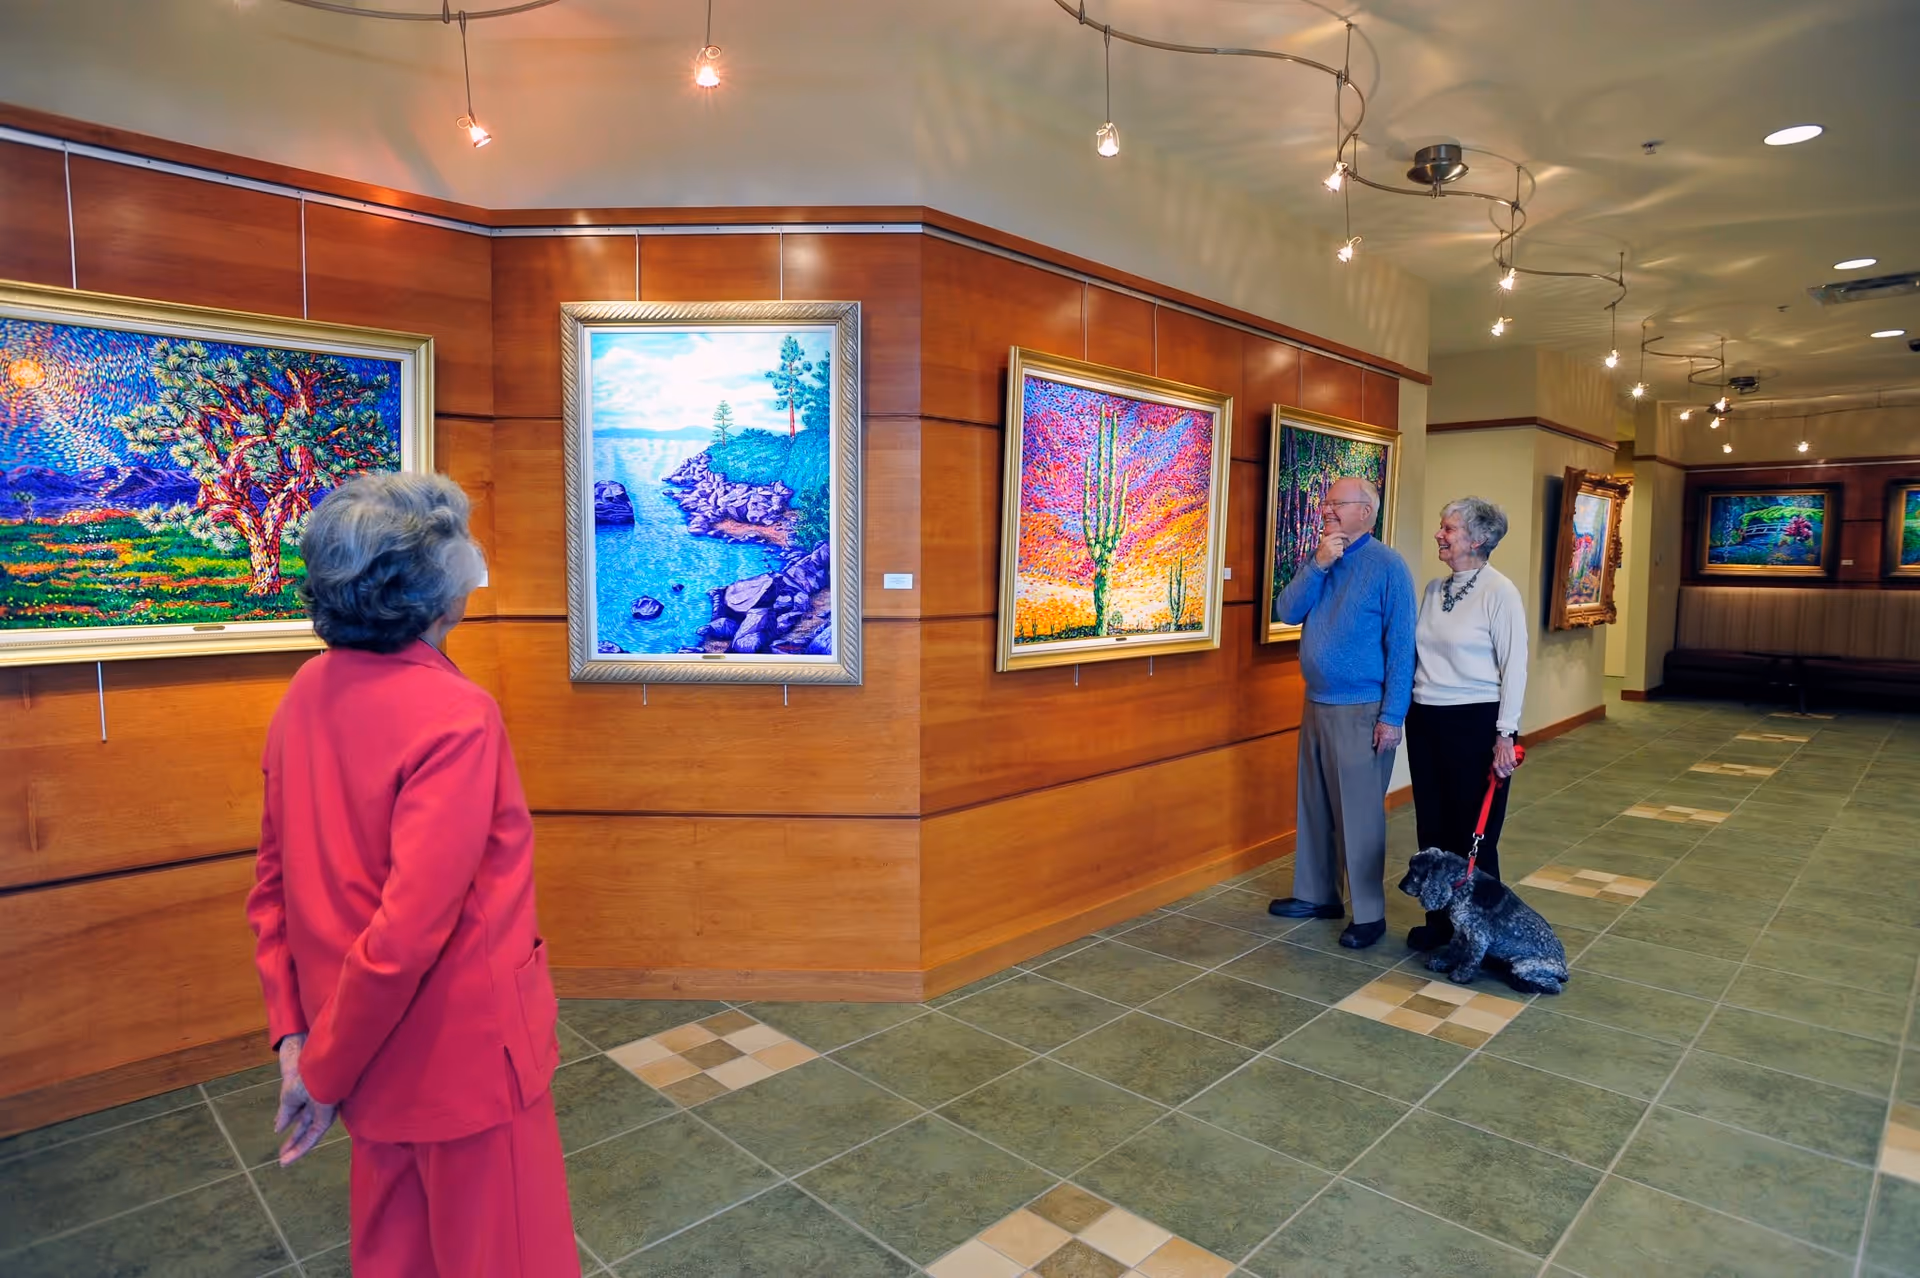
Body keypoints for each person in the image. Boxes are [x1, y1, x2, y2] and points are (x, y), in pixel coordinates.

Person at [246, 473, 578, 1278]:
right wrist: (316, 1073)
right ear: (434, 590)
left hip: (357, 1049)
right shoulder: (457, 717)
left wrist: (301, 1038)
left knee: (397, 1257)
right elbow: (407, 933)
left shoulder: (306, 690)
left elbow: (272, 886)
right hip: (462, 1063)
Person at [1267, 476, 1416, 948]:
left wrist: (1392, 716)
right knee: (1314, 807)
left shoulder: (1388, 566)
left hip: (1363, 710)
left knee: (1360, 815)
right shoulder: (1321, 560)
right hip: (1316, 704)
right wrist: (1317, 565)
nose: (1327, 510)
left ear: (1365, 513)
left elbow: (1402, 647)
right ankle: (1317, 896)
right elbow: (1287, 611)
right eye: (1326, 503)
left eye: (1337, 503)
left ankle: (1369, 914)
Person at [1404, 495, 1529, 952]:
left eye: (1449, 528)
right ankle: (1440, 924)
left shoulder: (1500, 592)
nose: (1440, 534)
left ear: (1478, 539)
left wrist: (1505, 735)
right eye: (1442, 527)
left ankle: (1484, 933)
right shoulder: (1435, 590)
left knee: (1473, 833)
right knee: (1432, 828)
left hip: (1475, 723)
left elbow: (1514, 667)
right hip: (1426, 720)